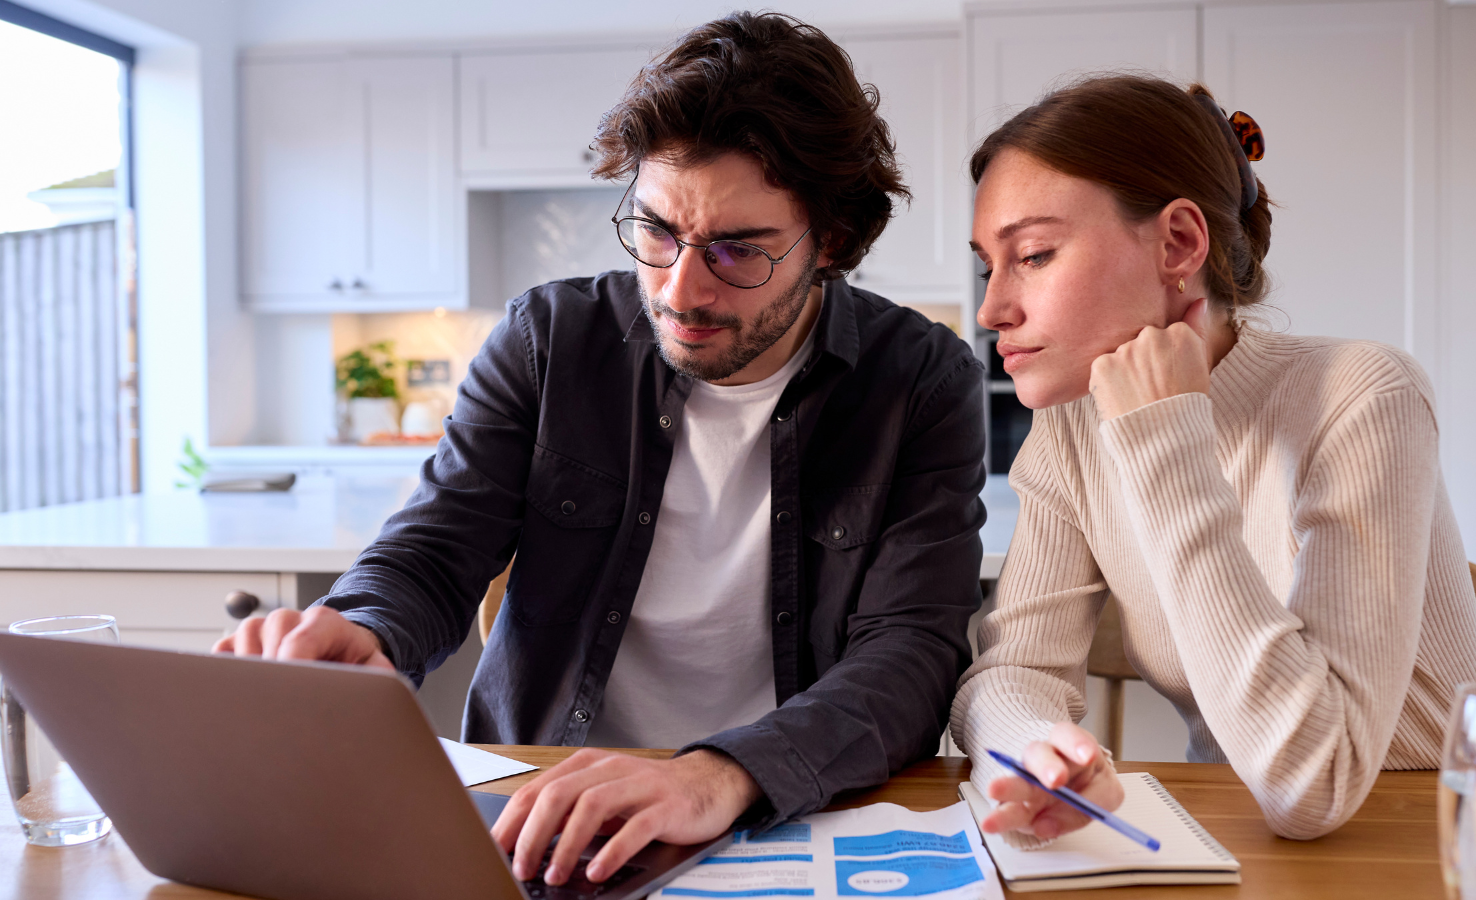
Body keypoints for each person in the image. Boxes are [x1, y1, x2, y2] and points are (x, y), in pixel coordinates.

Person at [216, 12, 986, 886]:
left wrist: (718, 775)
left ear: (831, 242)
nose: (681, 290)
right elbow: (436, 546)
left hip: (782, 811)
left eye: (738, 251)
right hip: (541, 807)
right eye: (656, 231)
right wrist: (364, 625)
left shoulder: (919, 379)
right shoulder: (549, 339)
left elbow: (911, 653)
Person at [952, 74, 1476, 843]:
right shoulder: (1071, 430)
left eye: (1033, 255)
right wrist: (1041, 754)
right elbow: (1015, 670)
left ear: (1178, 243)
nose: (991, 309)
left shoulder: (1362, 395)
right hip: (1235, 838)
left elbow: (1314, 784)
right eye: (989, 266)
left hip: (1420, 842)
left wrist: (1165, 435)